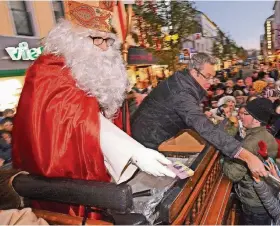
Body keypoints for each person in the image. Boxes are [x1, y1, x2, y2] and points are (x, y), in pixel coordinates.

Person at [12, 0, 174, 215]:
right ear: (72, 39)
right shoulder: (48, 70)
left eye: (108, 40)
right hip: (61, 178)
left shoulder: (94, 72)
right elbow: (69, 116)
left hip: (98, 168)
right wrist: (133, 152)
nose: (105, 47)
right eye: (96, 39)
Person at [132, 53, 268, 178]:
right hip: (146, 140)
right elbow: (202, 125)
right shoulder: (182, 92)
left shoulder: (184, 81)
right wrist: (247, 156)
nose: (210, 81)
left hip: (155, 135)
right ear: (194, 72)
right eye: (207, 76)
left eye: (212, 77)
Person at [222, 98, 278, 225]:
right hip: (265, 197)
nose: (241, 117)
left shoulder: (251, 142)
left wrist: (224, 158)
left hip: (253, 201)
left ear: (257, 119)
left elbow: (234, 174)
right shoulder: (267, 135)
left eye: (246, 114)